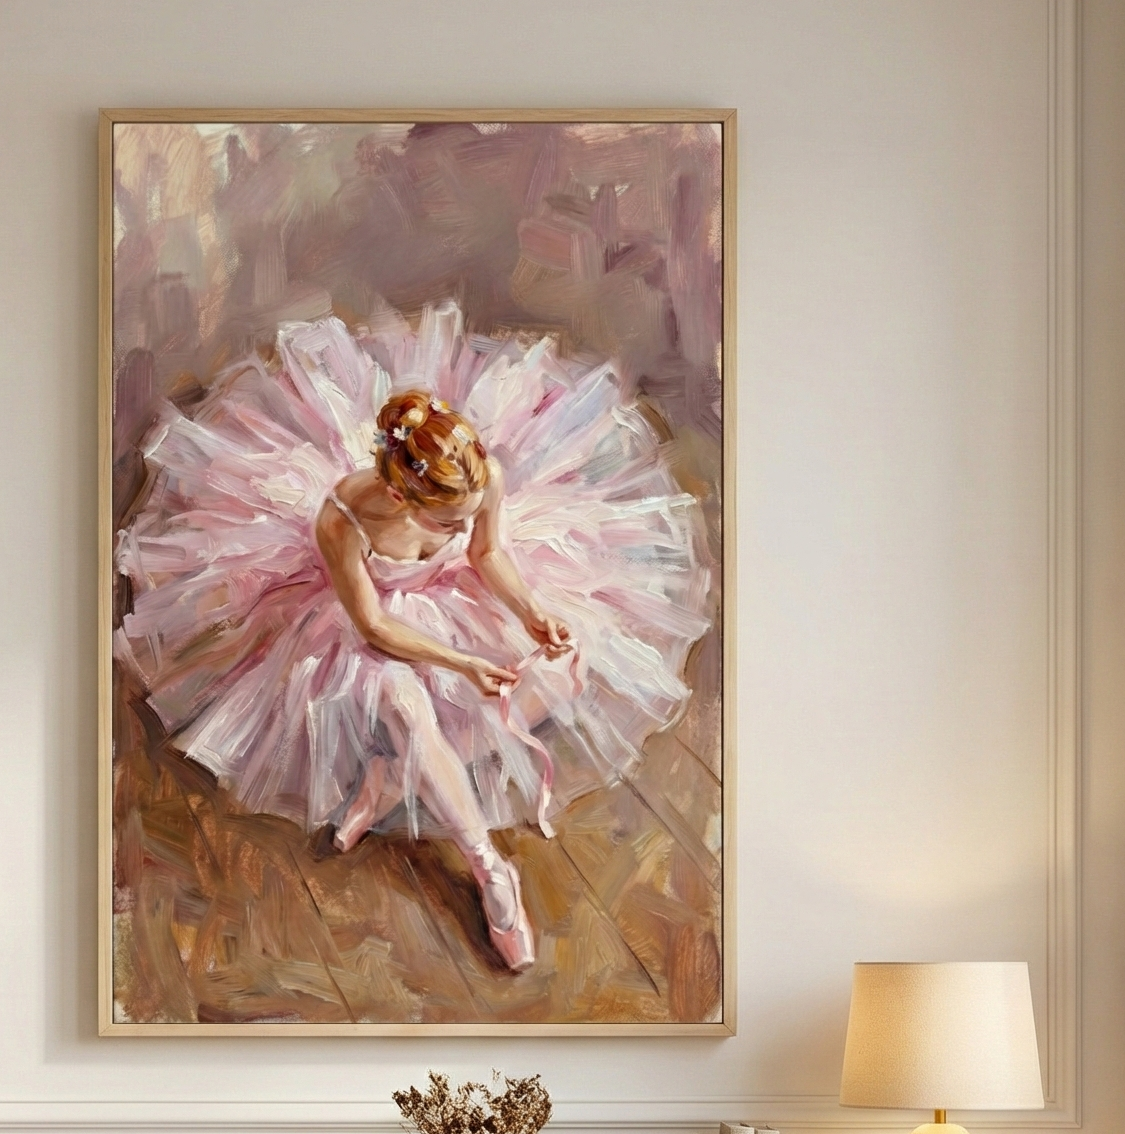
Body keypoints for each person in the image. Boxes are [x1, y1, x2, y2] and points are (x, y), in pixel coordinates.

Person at [114, 305, 709, 974]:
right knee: (406, 710)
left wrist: (531, 611)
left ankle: (392, 780)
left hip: (450, 596)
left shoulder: (480, 478)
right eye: (445, 518)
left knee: (564, 667)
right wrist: (464, 662)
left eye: (467, 510)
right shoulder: (342, 518)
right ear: (402, 498)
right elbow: (372, 625)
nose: (460, 524)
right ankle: (491, 873)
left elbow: (486, 555)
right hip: (373, 626)